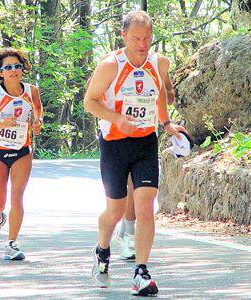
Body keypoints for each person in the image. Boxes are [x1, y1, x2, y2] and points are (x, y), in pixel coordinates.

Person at [84, 11, 185, 296]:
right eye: (137, 38)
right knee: (115, 209)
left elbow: (160, 94)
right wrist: (117, 118)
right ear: (124, 36)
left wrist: (166, 123)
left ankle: (141, 271)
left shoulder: (159, 62)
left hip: (145, 142)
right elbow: (89, 102)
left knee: (145, 207)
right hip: (114, 144)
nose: (143, 43)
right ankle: (102, 247)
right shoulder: (109, 66)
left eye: (148, 37)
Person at [0, 48, 43, 260]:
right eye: (8, 67)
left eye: (17, 66)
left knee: (17, 197)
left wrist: (37, 121)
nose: (13, 70)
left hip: (22, 151)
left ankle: (12, 244)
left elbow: (38, 109)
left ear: (22, 69)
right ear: (0, 72)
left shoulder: (31, 91)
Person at [113, 71, 176, 260]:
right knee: (122, 193)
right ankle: (124, 230)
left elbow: (170, 97)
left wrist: (161, 91)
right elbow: (93, 94)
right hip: (116, 137)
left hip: (145, 136)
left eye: (146, 39)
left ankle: (128, 234)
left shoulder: (157, 64)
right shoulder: (115, 63)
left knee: (138, 187)